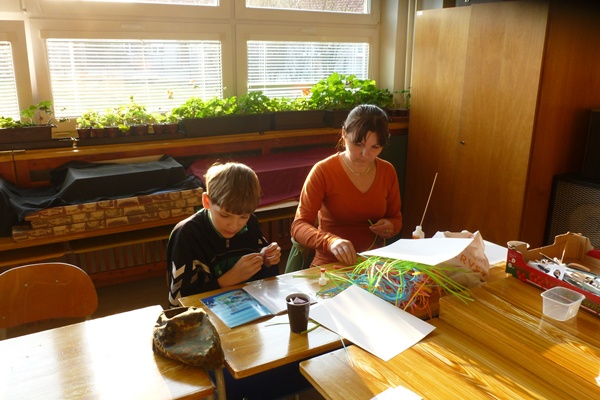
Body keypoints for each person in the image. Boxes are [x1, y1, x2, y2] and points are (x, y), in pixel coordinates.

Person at [291, 104, 402, 267]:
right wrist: (330, 242)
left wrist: (391, 226)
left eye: (375, 147)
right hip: (329, 264)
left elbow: (396, 218)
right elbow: (298, 226)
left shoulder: (387, 171)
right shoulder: (323, 171)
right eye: (358, 144)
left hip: (374, 265)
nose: (365, 154)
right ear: (344, 134)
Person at [167, 162, 281, 308]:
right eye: (225, 215)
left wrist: (267, 261)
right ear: (206, 201)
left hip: (246, 309)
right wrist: (226, 281)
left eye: (243, 217)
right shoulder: (187, 234)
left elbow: (267, 282)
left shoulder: (251, 223)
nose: (234, 226)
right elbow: (179, 302)